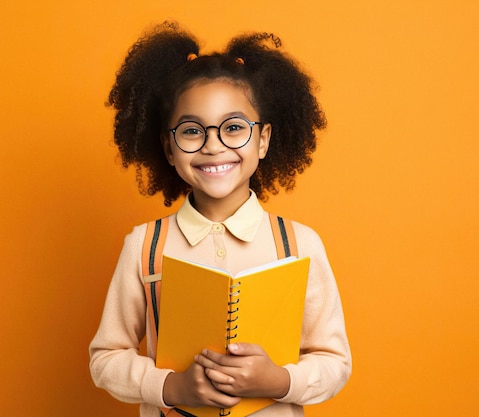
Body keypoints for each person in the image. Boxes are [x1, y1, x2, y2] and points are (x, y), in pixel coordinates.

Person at [89, 22, 351, 417]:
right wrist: (171, 385)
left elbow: (335, 362)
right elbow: (105, 359)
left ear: (262, 140)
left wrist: (280, 381)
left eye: (233, 128)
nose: (213, 146)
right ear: (169, 148)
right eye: (192, 131)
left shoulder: (300, 244)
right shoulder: (143, 246)